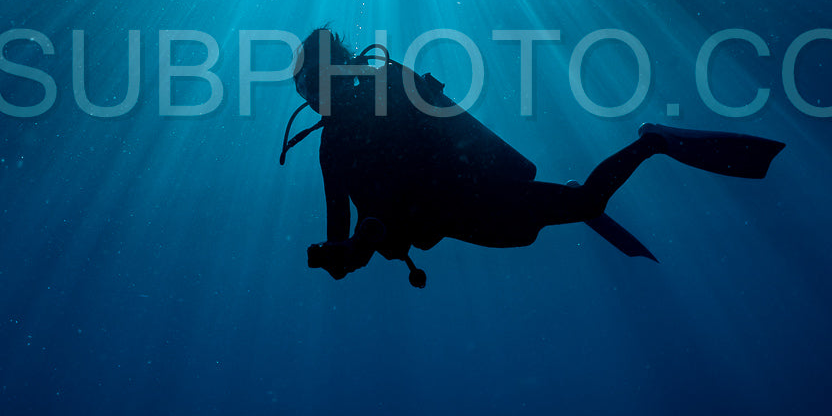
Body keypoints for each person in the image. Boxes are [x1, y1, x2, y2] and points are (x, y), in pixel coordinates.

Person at [281, 28, 785, 288]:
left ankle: (651, 141)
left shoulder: (387, 92)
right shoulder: (334, 146)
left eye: (316, 80)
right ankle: (595, 177)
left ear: (340, 68)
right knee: (525, 234)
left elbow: (429, 150)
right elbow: (344, 234)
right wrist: (338, 257)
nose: (315, 94)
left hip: (474, 191)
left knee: (585, 204)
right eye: (307, 87)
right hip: (450, 215)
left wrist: (350, 251)